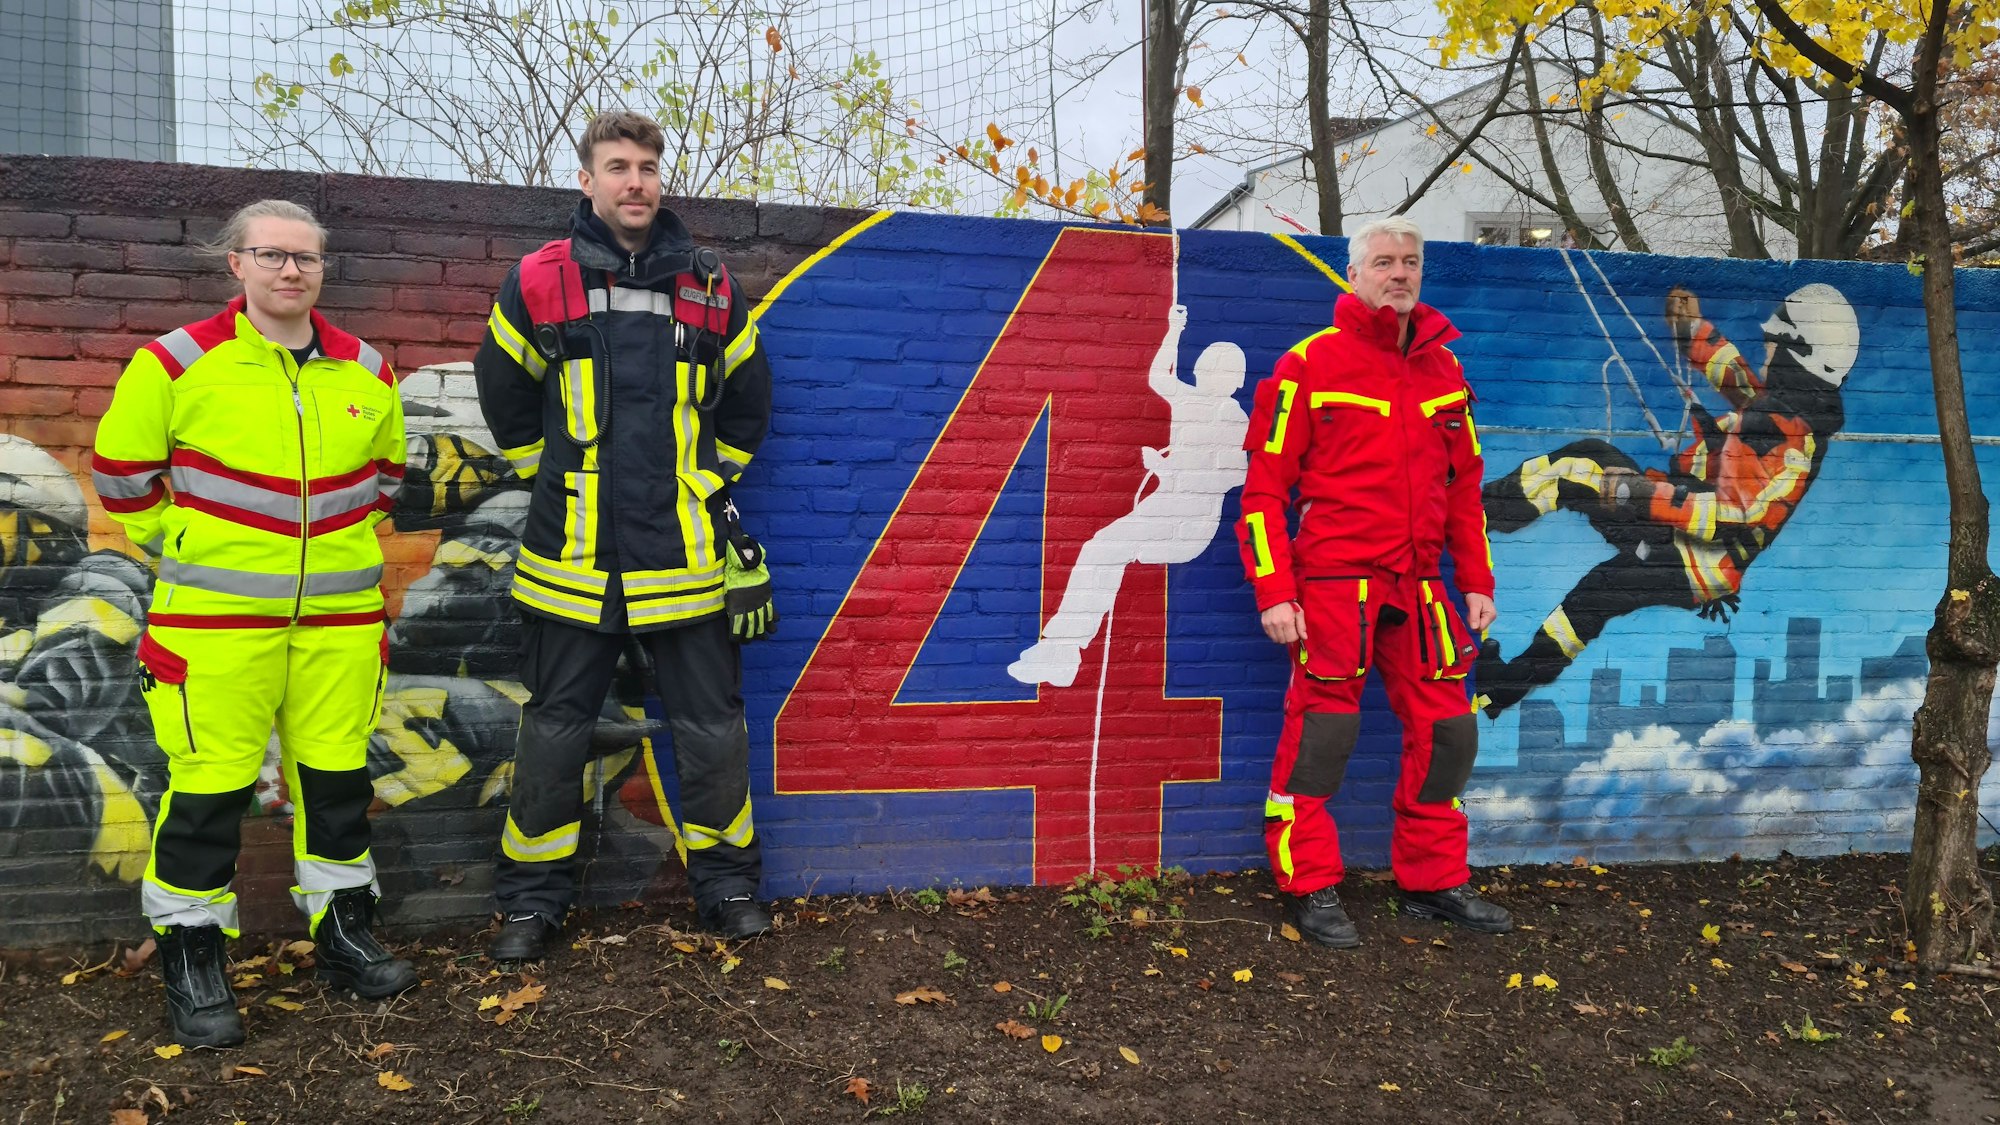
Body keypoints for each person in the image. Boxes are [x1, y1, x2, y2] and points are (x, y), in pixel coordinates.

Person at [91, 199, 417, 1047]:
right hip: (214, 626)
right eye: (271, 254)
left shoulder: (367, 372)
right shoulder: (175, 363)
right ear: (235, 264)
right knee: (208, 792)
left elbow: (386, 484)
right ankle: (193, 960)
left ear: (322, 269)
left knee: (339, 785)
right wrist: (197, 544)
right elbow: (123, 480)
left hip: (341, 625)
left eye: (306, 257)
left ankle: (344, 930)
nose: (290, 270)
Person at [474, 110, 776, 960]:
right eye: (617, 166)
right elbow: (504, 398)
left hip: (685, 559)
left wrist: (704, 482)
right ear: (587, 179)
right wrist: (563, 478)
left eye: (646, 166)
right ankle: (533, 904)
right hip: (570, 561)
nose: (634, 181)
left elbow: (748, 404)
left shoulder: (711, 286)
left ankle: (729, 887)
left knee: (714, 731)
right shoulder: (539, 280)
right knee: (553, 737)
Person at [1234, 216, 1511, 948]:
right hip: (1334, 585)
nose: (1399, 273)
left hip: (1421, 588)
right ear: (1353, 273)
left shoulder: (1445, 371)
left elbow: (1465, 488)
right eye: (1384, 261)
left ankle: (1433, 880)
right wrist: (1274, 590)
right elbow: (1263, 491)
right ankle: (1308, 881)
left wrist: (1475, 579)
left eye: (1411, 262)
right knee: (1324, 730)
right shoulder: (1307, 366)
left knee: (1449, 733)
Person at [1475, 282, 1856, 716]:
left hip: (1692, 555)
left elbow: (1729, 516)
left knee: (1577, 467)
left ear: (1797, 354)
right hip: (1699, 557)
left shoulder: (1784, 437)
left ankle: (1471, 520)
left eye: (1773, 346)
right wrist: (1693, 329)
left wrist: (1633, 494)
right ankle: (1502, 687)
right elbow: (1739, 383)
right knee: (1594, 595)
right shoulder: (1785, 415)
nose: (1765, 355)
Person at [1009, 301, 1249, 687]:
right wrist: (1174, 329)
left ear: (1234, 381)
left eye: (1218, 369)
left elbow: (1231, 475)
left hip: (1188, 522)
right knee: (1100, 549)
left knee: (1102, 549)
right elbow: (1159, 376)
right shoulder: (1189, 402)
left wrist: (1172, 469)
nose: (1206, 373)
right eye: (1205, 365)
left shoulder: (1235, 419)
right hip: (1166, 508)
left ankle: (1063, 652)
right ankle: (1061, 651)